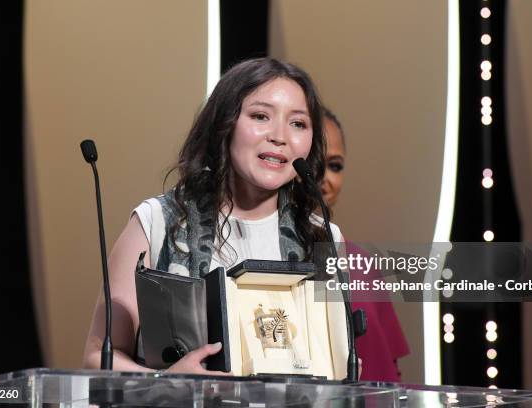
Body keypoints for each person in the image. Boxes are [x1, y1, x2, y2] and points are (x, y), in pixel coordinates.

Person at [82, 58, 345, 375]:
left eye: (298, 124)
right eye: (261, 116)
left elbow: (335, 360)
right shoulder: (158, 221)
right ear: (224, 124)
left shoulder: (322, 237)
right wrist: (167, 381)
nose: (280, 136)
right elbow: (98, 359)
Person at [320, 108, 410, 382]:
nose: (325, 178)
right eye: (312, 163)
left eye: (335, 165)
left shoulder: (362, 262)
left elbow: (389, 367)